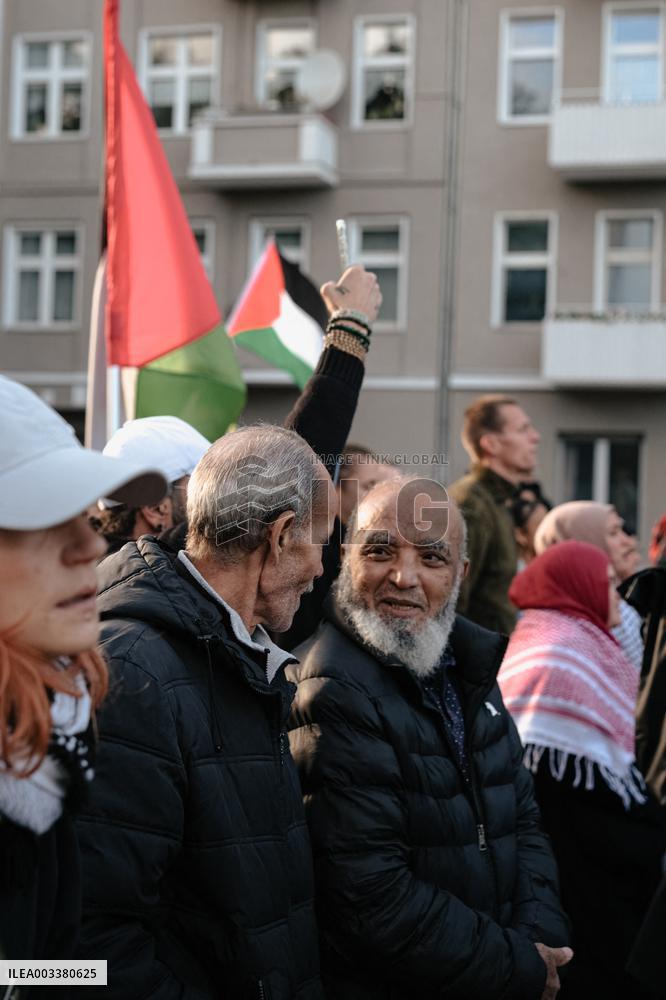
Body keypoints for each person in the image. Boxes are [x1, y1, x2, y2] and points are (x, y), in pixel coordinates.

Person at [76, 426, 336, 998]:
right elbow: (76, 951)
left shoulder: (239, 655)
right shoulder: (133, 675)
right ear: (283, 536)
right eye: (322, 541)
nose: (322, 569)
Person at [287, 477, 571, 1000]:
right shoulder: (332, 686)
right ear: (346, 557)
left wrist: (541, 942)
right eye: (379, 551)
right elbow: (369, 898)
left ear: (460, 574)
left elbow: (524, 825)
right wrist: (518, 965)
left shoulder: (470, 669)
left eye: (433, 559)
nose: (404, 577)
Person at [0, 375, 166, 967]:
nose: (88, 546)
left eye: (81, 512)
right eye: (39, 517)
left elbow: (47, 968)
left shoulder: (48, 754)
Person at [498, 541, 665, 1000]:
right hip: (580, 886)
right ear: (580, 584)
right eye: (606, 580)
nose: (617, 591)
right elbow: (579, 797)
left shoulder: (565, 634)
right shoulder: (561, 653)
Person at [281, 443, 397, 648]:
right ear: (335, 488)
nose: (378, 497)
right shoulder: (318, 547)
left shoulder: (363, 542)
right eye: (368, 486)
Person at [449, 395, 544, 633]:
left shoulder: (500, 500)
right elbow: (452, 601)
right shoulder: (471, 504)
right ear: (490, 444)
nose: (535, 437)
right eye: (523, 430)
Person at [535, 501, 643, 670]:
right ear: (581, 543)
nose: (627, 542)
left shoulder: (618, 606)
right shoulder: (607, 612)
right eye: (614, 533)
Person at [93, 415, 211, 549]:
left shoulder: (98, 564)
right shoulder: (168, 567)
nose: (211, 500)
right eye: (201, 486)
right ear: (157, 509)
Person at [510, 485, 551, 570]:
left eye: (549, 525)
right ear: (520, 535)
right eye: (540, 526)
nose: (549, 533)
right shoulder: (511, 573)